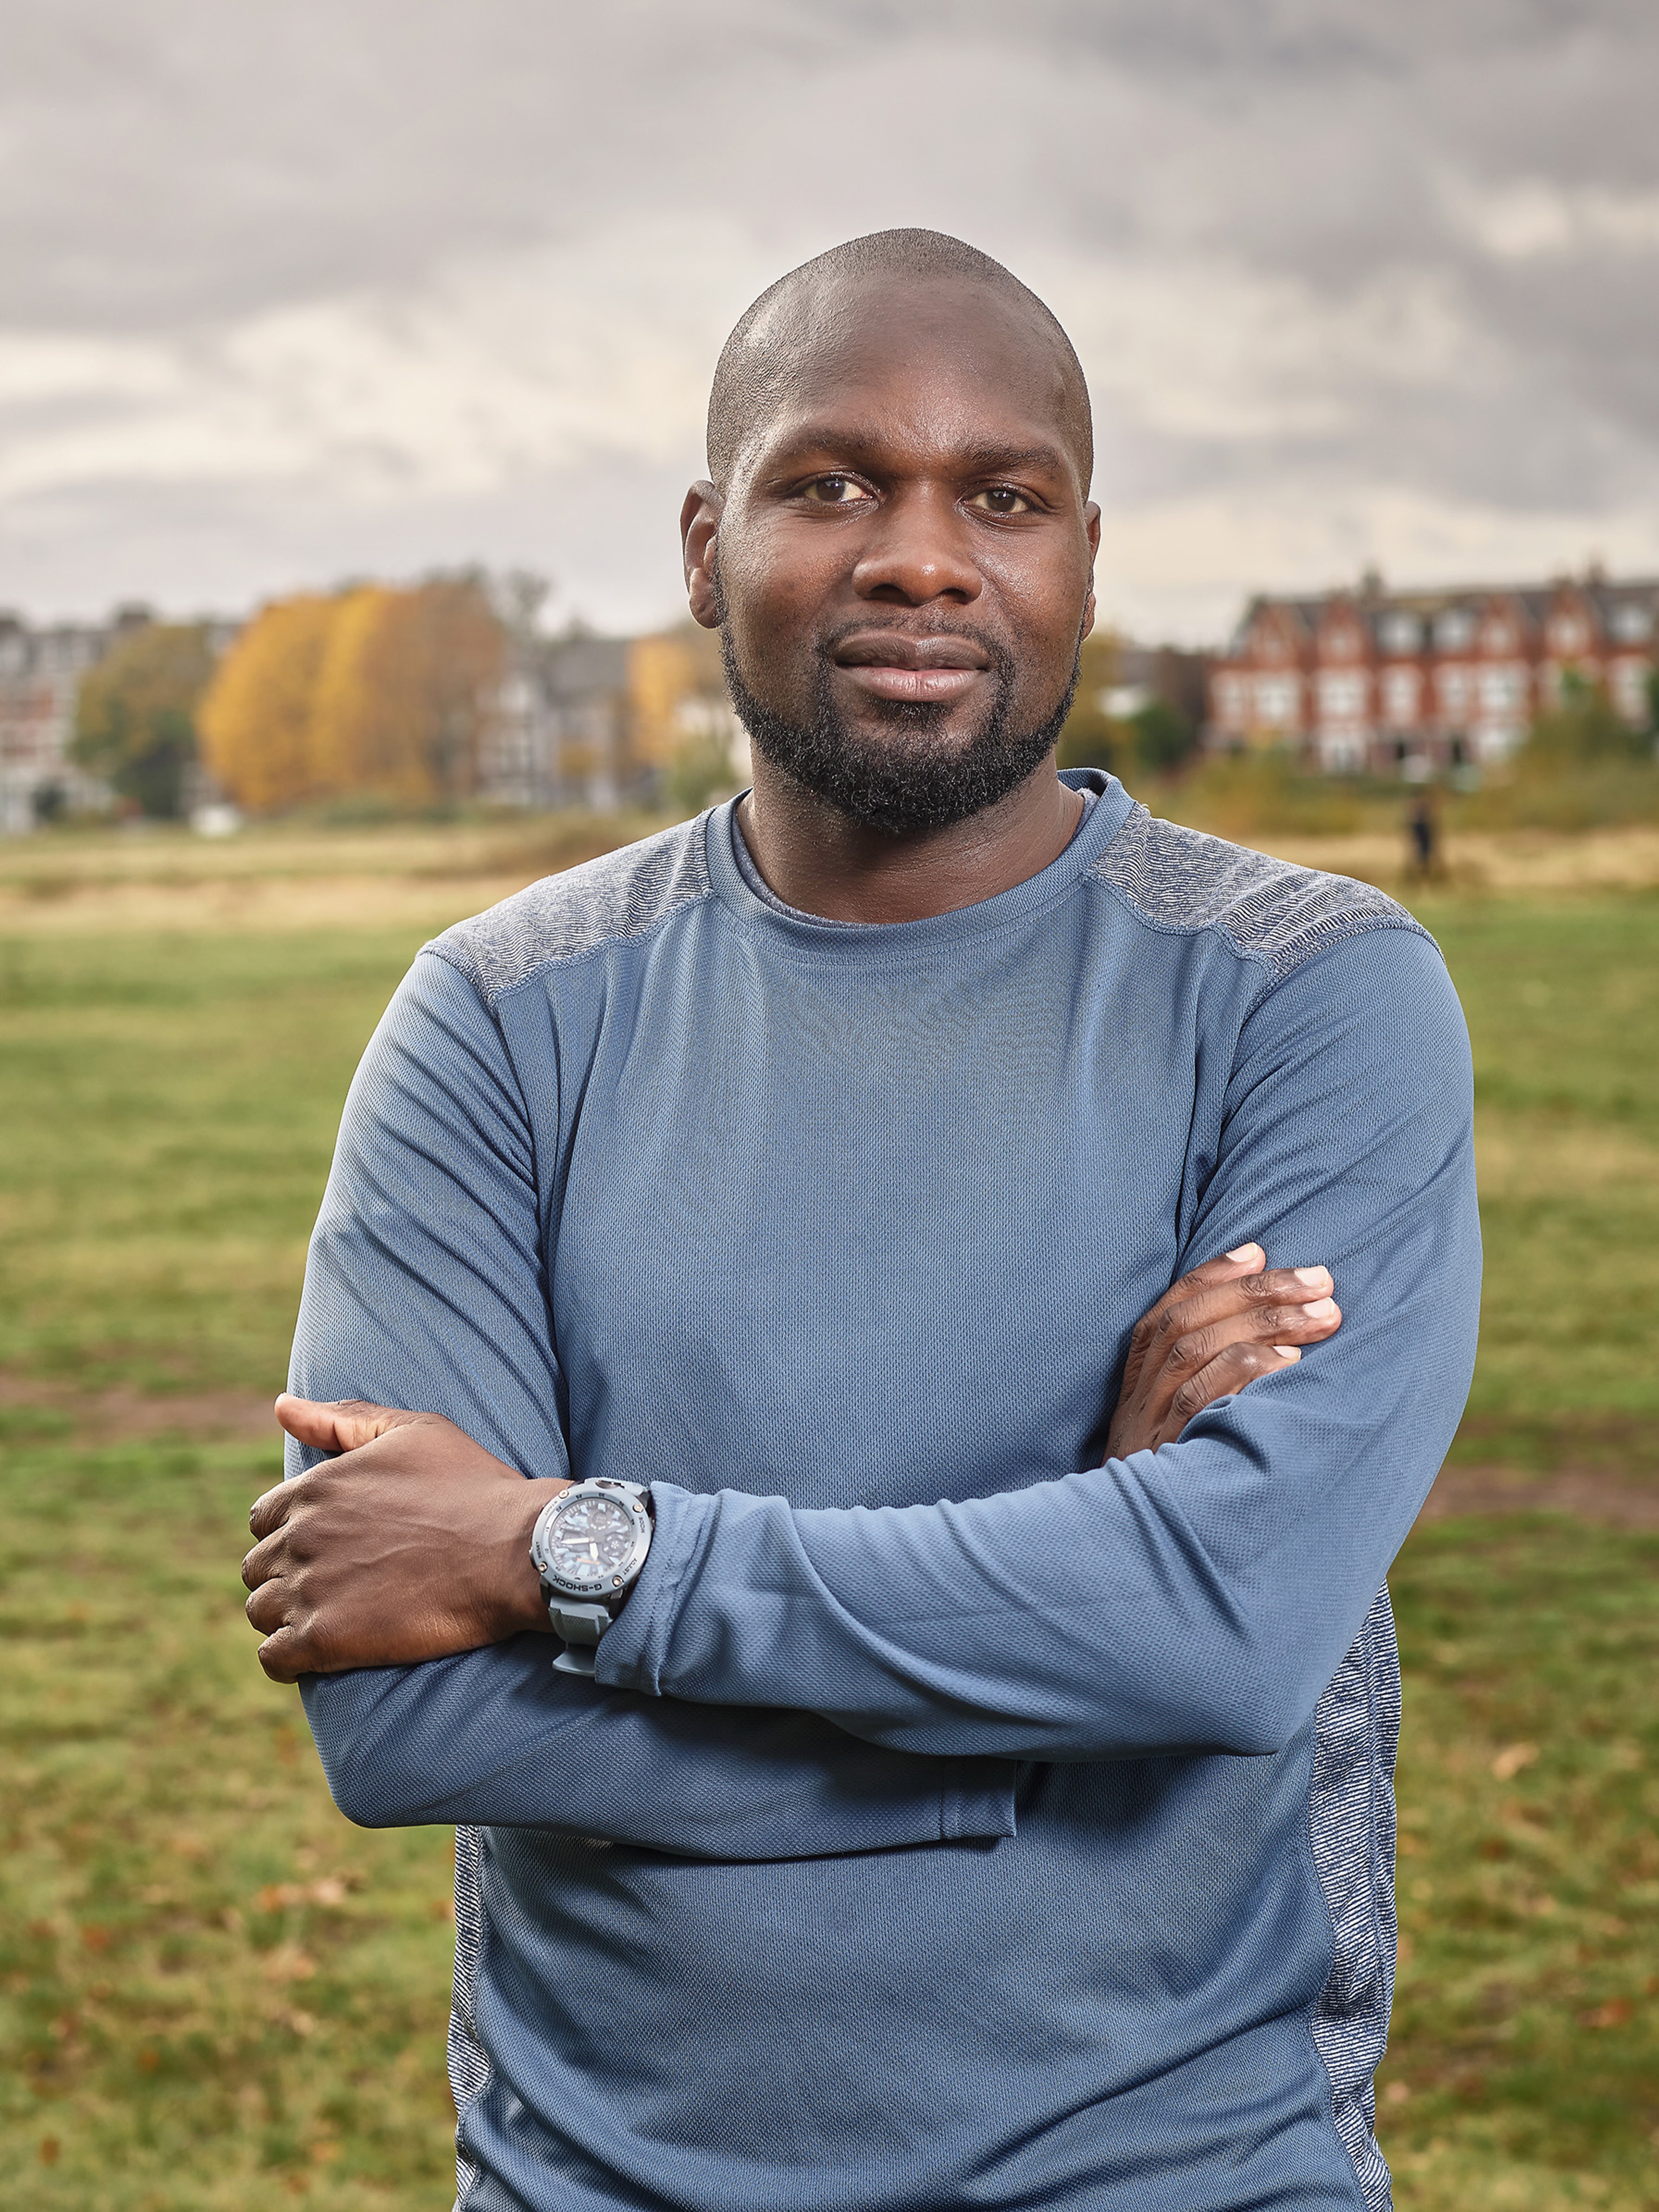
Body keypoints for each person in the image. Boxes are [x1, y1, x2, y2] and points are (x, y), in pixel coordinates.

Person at [242, 230, 1479, 2212]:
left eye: (1005, 496)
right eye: (836, 485)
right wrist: (1058, 1672)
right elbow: (408, 1713)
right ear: (703, 543)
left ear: (1086, 553)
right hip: (604, 2180)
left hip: (1177, 2172)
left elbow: (1230, 1631)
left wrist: (564, 1555)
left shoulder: (1309, 992)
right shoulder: (495, 1018)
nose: (924, 555)